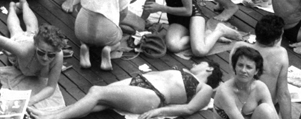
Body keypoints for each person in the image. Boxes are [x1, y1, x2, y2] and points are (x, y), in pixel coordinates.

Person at [50, 60, 221, 119]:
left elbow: (189, 109)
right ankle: (52, 113)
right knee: (99, 100)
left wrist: (159, 112)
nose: (195, 64)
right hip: (140, 82)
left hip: (153, 95)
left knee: (96, 91)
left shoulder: (205, 88)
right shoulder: (184, 71)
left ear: (209, 69)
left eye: (201, 63)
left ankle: (56, 117)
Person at [212, 46, 278, 119]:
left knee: (266, 110)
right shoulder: (224, 91)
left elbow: (273, 114)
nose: (243, 70)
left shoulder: (260, 87)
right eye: (240, 65)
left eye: (249, 67)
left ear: (256, 71)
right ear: (235, 67)